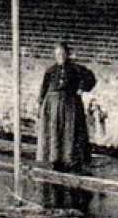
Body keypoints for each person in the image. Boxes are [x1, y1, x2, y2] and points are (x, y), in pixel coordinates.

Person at [36, 42, 98, 171]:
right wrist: (41, 104)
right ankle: (55, 158)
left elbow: (90, 79)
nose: (60, 57)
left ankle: (70, 159)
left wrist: (82, 88)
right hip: (53, 105)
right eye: (57, 54)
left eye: (63, 54)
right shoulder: (50, 71)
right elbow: (44, 89)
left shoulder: (76, 69)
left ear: (67, 55)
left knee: (71, 131)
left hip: (70, 104)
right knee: (54, 131)